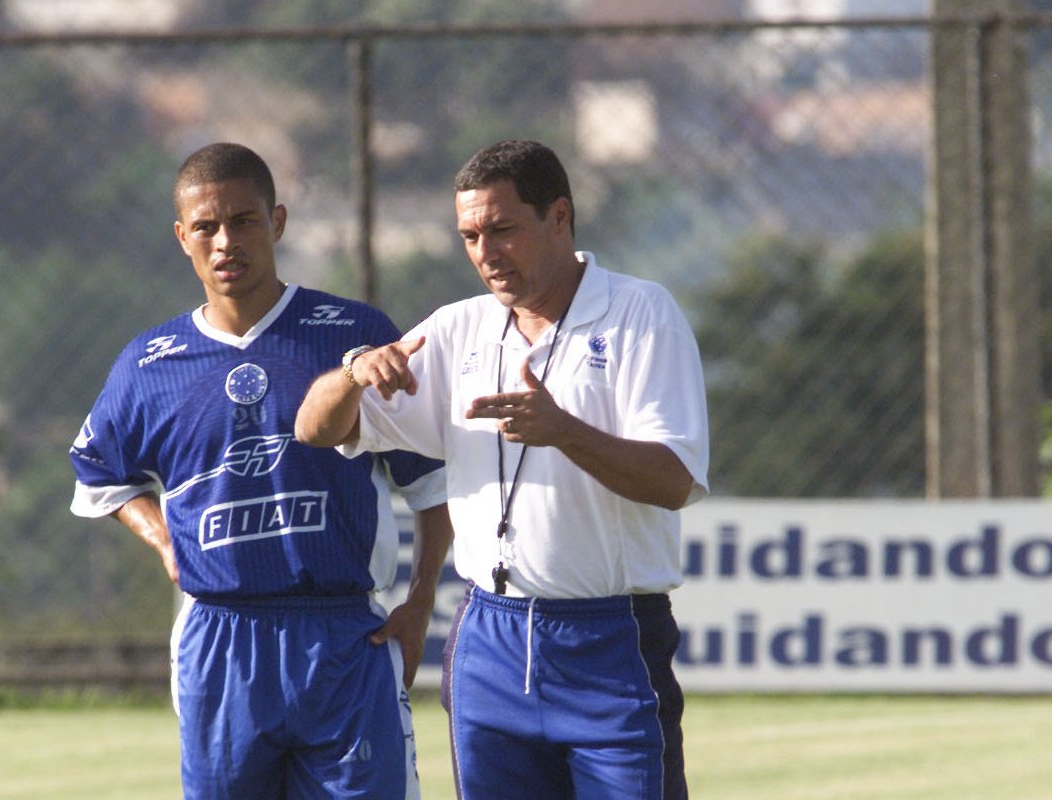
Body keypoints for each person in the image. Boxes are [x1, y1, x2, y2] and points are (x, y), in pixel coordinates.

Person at [295, 139, 710, 799]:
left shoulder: (640, 314)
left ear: (559, 217)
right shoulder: (456, 329)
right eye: (470, 236)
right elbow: (314, 429)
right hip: (489, 639)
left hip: (611, 639)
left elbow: (674, 480)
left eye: (502, 229)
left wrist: (565, 431)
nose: (485, 251)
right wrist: (351, 374)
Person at [68, 142, 452, 800]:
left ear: (277, 221)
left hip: (343, 634)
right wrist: (164, 541)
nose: (226, 242)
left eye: (243, 221)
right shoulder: (149, 363)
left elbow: (432, 484)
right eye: (206, 227)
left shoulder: (353, 333)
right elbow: (101, 477)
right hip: (219, 637)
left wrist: (419, 603)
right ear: (182, 237)